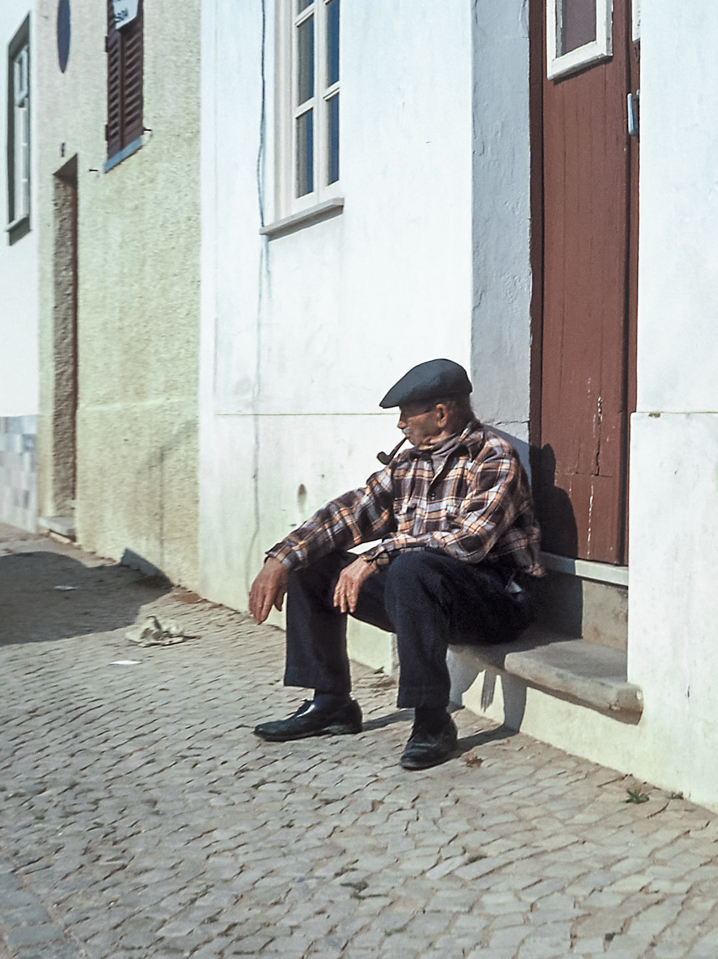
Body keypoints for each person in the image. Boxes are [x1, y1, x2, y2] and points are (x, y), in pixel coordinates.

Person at [248, 358, 543, 769]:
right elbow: (350, 513)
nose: (400, 425)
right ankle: (330, 702)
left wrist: (380, 555)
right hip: (423, 596)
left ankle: (432, 721)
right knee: (311, 564)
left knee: (411, 565)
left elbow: (470, 541)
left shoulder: (494, 458)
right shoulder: (409, 463)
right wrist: (282, 557)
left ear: (441, 414)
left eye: (407, 414)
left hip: (495, 601)